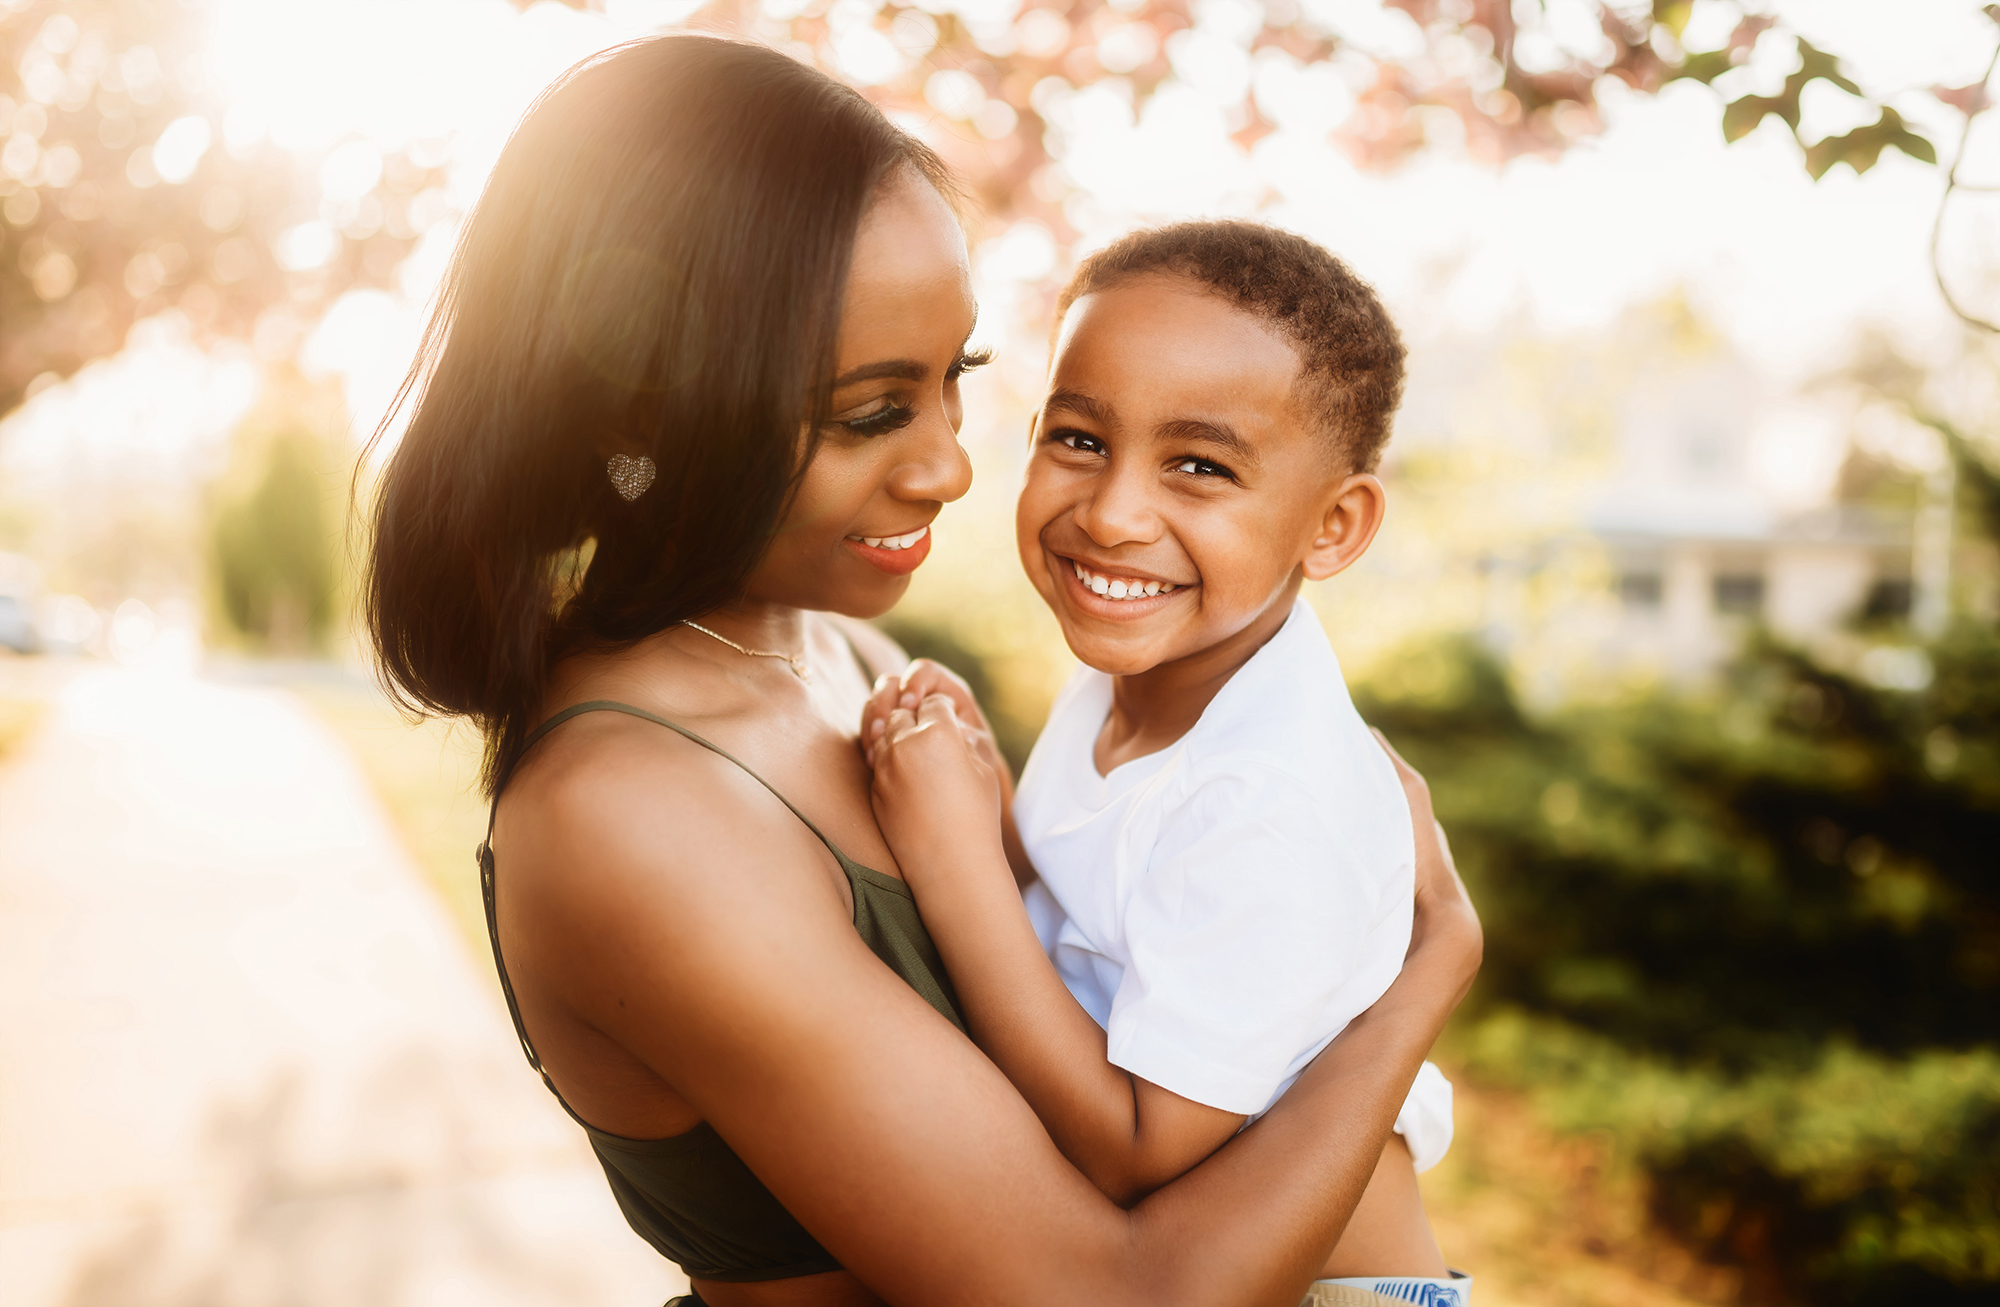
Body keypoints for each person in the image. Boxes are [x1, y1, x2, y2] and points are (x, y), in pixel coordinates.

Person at [366, 33, 1481, 1307]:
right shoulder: (633, 813)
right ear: (641, 416)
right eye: (869, 411)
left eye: (953, 381)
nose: (950, 466)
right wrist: (1427, 970)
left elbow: (1095, 970)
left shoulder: (846, 654)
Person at [863, 221, 1468, 1306]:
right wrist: (985, 800)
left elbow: (1138, 1147)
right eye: (1080, 440)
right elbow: (1101, 911)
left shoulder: (1267, 796)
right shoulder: (1146, 670)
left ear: (1331, 524)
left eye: (1198, 466)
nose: (1111, 513)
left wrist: (955, 859)